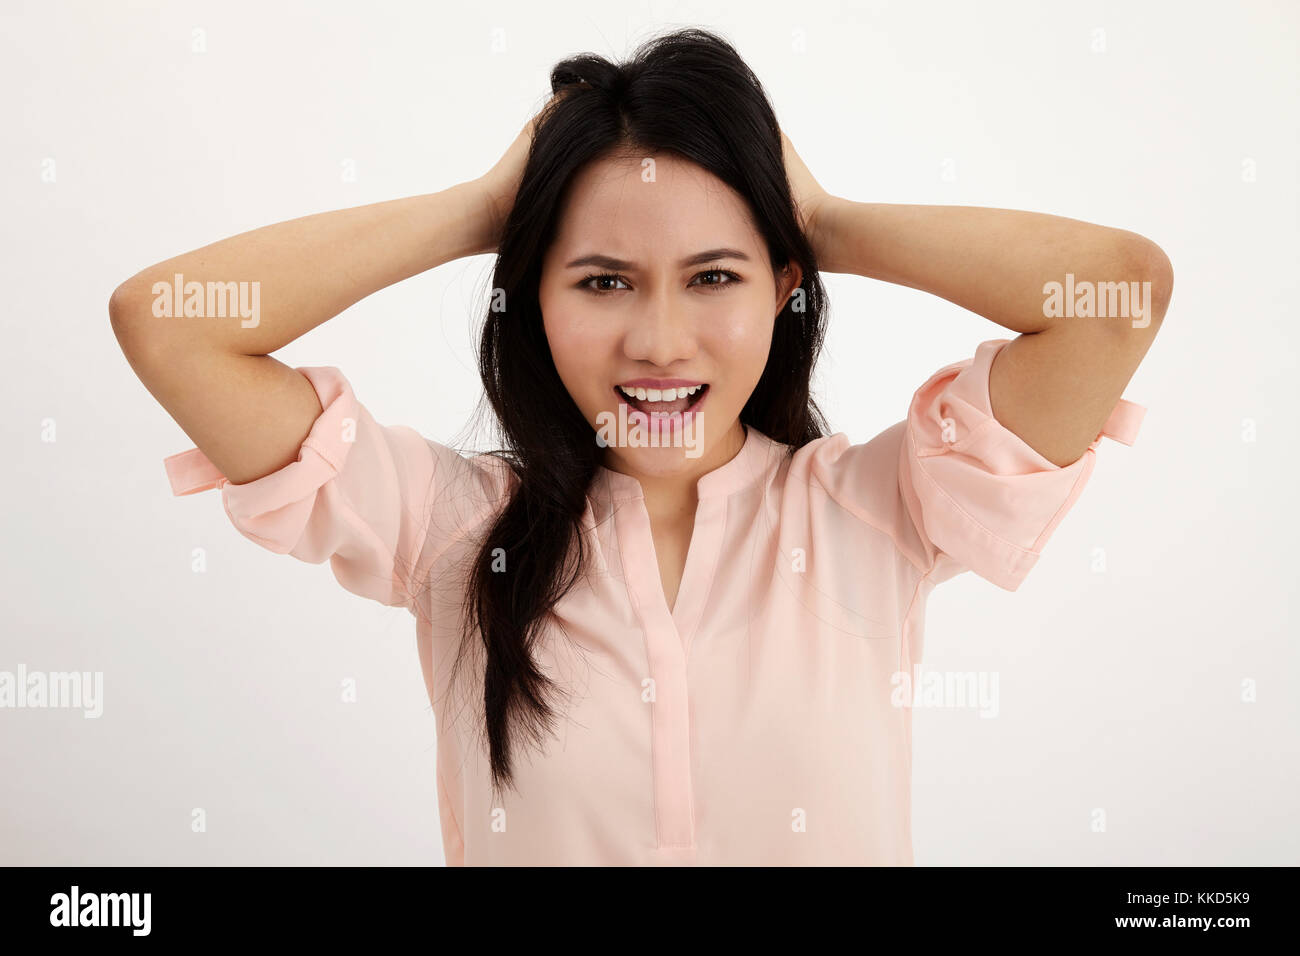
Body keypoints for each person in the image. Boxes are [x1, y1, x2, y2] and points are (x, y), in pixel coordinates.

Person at [109, 27, 1170, 865]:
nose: (660, 343)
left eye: (714, 275)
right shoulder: (447, 528)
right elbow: (168, 322)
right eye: (603, 279)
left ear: (782, 290)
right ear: (533, 299)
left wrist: (820, 217)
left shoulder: (874, 507)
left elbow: (1116, 298)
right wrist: (482, 207)